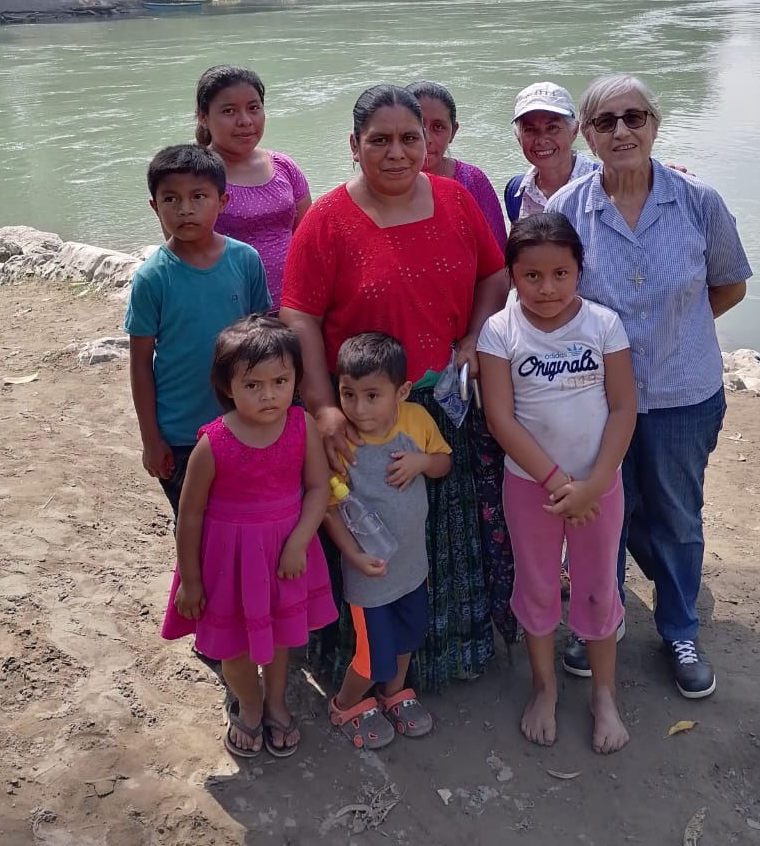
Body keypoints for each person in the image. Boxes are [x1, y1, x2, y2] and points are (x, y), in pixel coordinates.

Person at [280, 84, 513, 691]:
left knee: (444, 527)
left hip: (442, 404)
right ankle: (363, 668)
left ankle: (447, 655)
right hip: (362, 415)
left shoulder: (458, 201)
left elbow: (494, 273)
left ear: (430, 141)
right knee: (369, 532)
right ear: (354, 146)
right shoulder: (327, 221)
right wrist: (324, 407)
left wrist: (472, 338)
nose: (397, 152)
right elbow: (299, 315)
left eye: (410, 138)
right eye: (379, 140)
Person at [548, 74, 752, 698]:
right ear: (586, 134)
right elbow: (552, 300)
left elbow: (729, 283)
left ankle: (679, 629)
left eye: (635, 117)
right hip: (594, 401)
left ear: (655, 125)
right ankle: (594, 621)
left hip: (680, 397)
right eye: (606, 122)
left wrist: (678, 330)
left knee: (677, 516)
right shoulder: (567, 210)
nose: (622, 131)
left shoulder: (698, 201)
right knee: (601, 513)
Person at [478, 213, 636, 755]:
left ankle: (604, 696)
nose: (547, 289)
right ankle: (544, 688)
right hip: (530, 489)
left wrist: (593, 484)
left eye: (561, 274)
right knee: (540, 586)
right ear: (512, 275)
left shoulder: (603, 324)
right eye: (532, 276)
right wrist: (555, 482)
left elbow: (623, 408)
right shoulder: (499, 331)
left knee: (597, 586)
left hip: (599, 488)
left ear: (579, 271)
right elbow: (501, 418)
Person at [161, 315, 335, 758]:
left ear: (296, 378)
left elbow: (318, 488)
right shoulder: (213, 442)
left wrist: (299, 541)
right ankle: (250, 702)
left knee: (278, 639)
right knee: (235, 645)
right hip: (229, 563)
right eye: (253, 384)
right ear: (227, 386)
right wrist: (192, 581)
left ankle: (276, 701)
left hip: (284, 555)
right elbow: (191, 513)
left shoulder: (302, 427)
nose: (269, 394)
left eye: (280, 380)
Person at [124, 145, 271, 516]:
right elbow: (140, 364)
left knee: (243, 516)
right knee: (194, 524)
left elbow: (262, 341)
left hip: (243, 421)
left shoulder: (246, 260)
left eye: (198, 197)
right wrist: (151, 439)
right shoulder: (152, 278)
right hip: (181, 434)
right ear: (155, 206)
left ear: (222, 201)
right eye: (171, 198)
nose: (185, 209)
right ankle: (190, 577)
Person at [325, 332, 452, 748]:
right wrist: (352, 556)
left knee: (409, 636)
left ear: (402, 391)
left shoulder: (416, 420)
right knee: (370, 652)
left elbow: (444, 463)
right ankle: (345, 704)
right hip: (370, 573)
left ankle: (393, 694)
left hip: (414, 565)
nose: (359, 408)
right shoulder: (341, 443)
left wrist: (422, 462)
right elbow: (329, 506)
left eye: (372, 396)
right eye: (348, 394)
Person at [194, 64, 312, 310]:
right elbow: (185, 253)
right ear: (203, 117)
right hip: (229, 313)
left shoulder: (284, 166)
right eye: (229, 111)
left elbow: (308, 238)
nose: (245, 121)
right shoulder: (192, 177)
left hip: (293, 305)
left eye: (254, 108)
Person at [406, 80, 507, 246]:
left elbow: (499, 254)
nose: (427, 139)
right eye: (417, 125)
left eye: (438, 127)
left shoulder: (472, 181)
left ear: (453, 132)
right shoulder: (386, 184)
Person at [504, 82, 598, 223]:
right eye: (530, 130)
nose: (541, 140)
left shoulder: (605, 185)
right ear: (518, 137)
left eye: (552, 127)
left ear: (574, 130)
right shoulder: (516, 191)